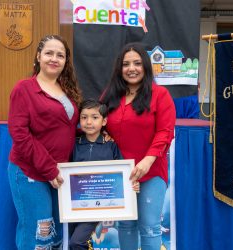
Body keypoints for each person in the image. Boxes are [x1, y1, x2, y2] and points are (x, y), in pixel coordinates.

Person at [7, 34, 81, 250]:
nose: (54, 59)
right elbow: (19, 134)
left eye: (60, 55)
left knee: (55, 235)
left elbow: (62, 130)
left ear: (66, 61)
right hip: (31, 172)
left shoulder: (67, 90)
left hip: (58, 176)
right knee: (39, 233)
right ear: (38, 56)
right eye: (49, 53)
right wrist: (49, 169)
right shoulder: (24, 89)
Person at [100, 42, 176, 250]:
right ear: (119, 68)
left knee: (150, 227)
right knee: (125, 225)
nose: (131, 68)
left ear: (146, 66)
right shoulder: (110, 95)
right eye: (126, 64)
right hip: (119, 174)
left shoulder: (160, 95)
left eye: (137, 63)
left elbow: (165, 132)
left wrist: (147, 161)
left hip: (151, 172)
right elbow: (97, 122)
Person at [68, 99, 139, 250]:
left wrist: (132, 184)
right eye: (84, 117)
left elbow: (122, 173)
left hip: (97, 205)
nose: (88, 122)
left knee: (76, 242)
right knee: (72, 240)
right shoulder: (74, 144)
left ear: (104, 121)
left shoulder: (111, 145)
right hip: (74, 205)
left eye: (95, 117)